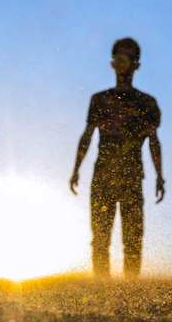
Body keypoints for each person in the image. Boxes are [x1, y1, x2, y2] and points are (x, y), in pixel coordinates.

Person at [70, 38, 165, 277]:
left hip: (132, 176)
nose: (123, 63)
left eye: (129, 59)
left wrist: (160, 175)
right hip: (102, 175)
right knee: (100, 239)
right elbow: (87, 135)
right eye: (119, 58)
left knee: (133, 240)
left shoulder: (146, 103)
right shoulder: (99, 99)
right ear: (112, 63)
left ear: (137, 65)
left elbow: (153, 140)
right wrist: (76, 168)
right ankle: (102, 293)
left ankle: (130, 292)